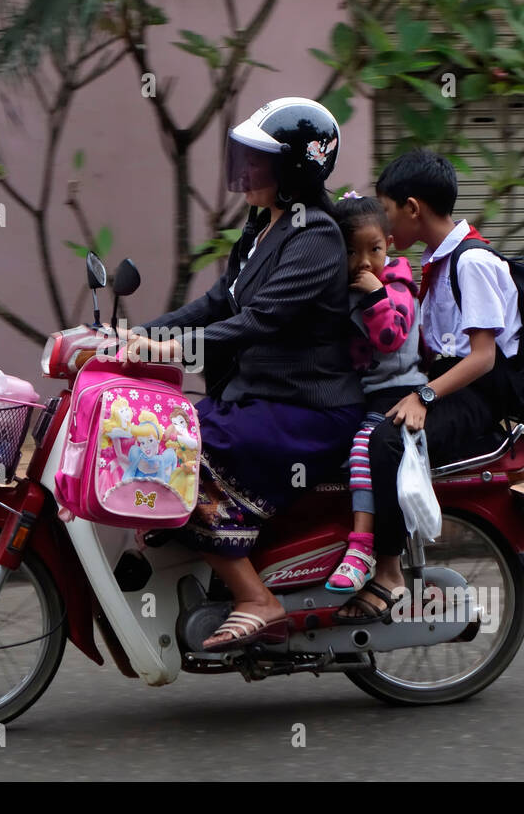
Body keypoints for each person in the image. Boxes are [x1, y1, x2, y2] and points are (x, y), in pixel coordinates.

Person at [126, 97, 364, 650]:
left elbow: (256, 322)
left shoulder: (317, 237)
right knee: (145, 429)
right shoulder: (263, 226)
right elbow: (215, 303)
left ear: (295, 169)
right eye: (246, 157)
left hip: (306, 410)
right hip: (258, 397)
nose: (246, 170)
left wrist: (165, 351)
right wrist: (138, 337)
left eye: (260, 160)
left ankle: (257, 598)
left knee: (175, 450)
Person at [338, 149, 521, 622]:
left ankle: (388, 572)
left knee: (386, 441)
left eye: (388, 210)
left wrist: (422, 396)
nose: (383, 222)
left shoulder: (472, 262)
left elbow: (483, 357)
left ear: (413, 209)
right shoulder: (435, 260)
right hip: (443, 382)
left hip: (471, 395)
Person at [322, 193, 427, 606]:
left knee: (364, 449)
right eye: (352, 252)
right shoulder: (345, 290)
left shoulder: (395, 286)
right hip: (368, 395)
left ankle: (363, 547)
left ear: (388, 243)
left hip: (399, 392)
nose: (364, 262)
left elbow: (391, 336)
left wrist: (374, 295)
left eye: (374, 249)